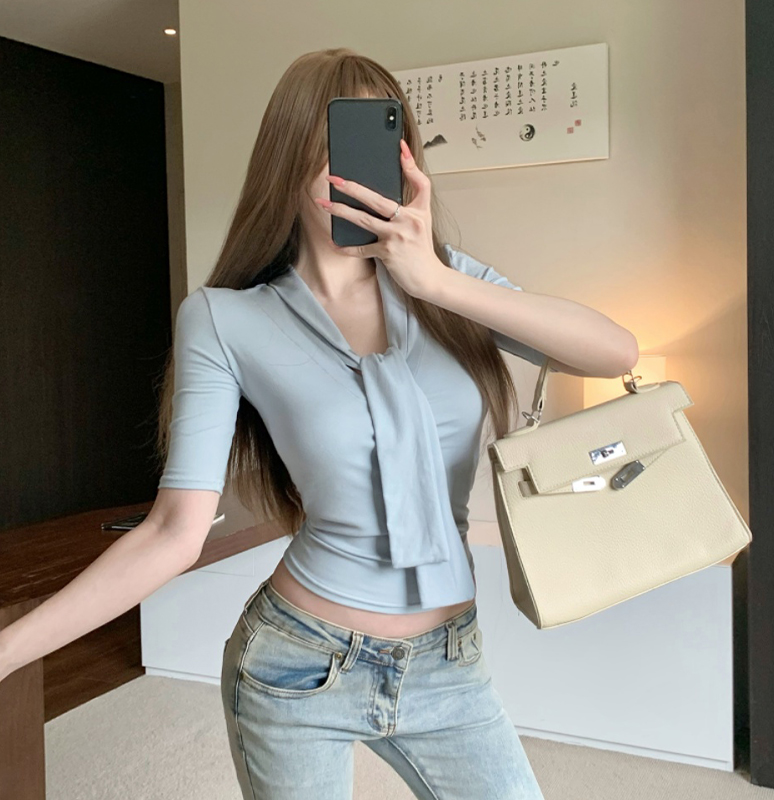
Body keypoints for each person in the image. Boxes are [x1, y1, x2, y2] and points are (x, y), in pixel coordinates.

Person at [0, 47, 638, 800]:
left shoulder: (450, 282)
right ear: (289, 155)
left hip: (449, 662)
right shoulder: (225, 319)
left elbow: (615, 351)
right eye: (335, 137)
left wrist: (434, 280)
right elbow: (173, 531)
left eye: (380, 136)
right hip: (298, 665)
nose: (359, 166)